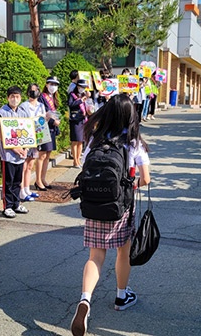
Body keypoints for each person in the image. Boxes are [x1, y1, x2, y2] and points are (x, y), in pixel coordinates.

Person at [70, 93, 150, 336]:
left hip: (94, 205)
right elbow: (145, 179)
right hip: (119, 208)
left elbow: (85, 168)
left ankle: (85, 299)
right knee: (122, 253)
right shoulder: (133, 142)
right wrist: (129, 183)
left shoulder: (94, 139)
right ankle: (121, 296)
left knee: (95, 256)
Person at [0, 86, 30, 218]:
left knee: (17, 181)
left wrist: (25, 148)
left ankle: (16, 203)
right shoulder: (2, 112)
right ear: (8, 98)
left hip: (21, 154)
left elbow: (28, 132)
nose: (15, 99)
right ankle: (7, 206)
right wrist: (15, 148)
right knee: (8, 182)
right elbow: (0, 134)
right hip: (8, 154)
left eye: (17, 97)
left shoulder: (23, 111)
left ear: (21, 98)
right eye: (12, 97)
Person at [19, 84, 45, 201]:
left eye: (35, 90)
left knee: (30, 164)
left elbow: (42, 120)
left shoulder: (41, 106)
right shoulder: (24, 106)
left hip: (37, 136)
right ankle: (21, 190)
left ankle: (27, 188)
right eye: (31, 91)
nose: (33, 93)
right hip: (27, 137)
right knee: (24, 164)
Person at [36, 76, 61, 191]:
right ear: (46, 84)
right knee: (42, 155)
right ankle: (38, 180)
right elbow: (41, 113)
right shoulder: (42, 97)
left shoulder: (54, 97)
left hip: (52, 129)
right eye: (51, 84)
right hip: (43, 128)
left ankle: (43, 178)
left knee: (48, 155)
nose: (53, 87)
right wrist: (52, 121)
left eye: (55, 85)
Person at [69, 79, 90, 169]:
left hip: (83, 119)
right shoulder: (72, 95)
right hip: (75, 120)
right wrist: (80, 100)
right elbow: (70, 104)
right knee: (75, 141)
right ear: (77, 87)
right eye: (81, 87)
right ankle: (75, 160)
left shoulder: (84, 95)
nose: (82, 89)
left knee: (81, 141)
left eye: (84, 87)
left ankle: (78, 159)